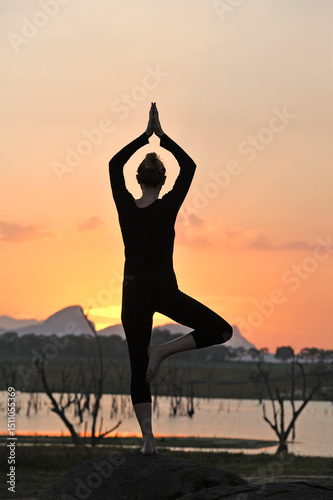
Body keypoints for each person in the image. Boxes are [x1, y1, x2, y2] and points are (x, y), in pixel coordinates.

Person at [109, 103, 233, 454]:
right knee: (222, 330)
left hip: (133, 294)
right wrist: (161, 137)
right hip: (164, 291)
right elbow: (190, 167)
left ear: (137, 180)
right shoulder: (167, 206)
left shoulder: (125, 206)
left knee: (137, 366)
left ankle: (148, 438)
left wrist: (142, 137)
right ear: (163, 182)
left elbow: (112, 164)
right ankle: (163, 351)